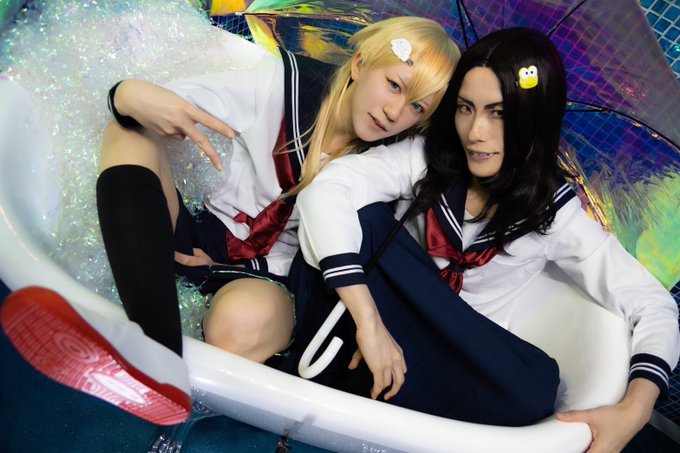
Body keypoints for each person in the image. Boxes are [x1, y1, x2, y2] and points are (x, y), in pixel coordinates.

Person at [0, 16, 460, 425]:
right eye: (394, 85)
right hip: (198, 233)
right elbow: (167, 105)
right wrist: (126, 94)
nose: (395, 112)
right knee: (129, 130)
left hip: (272, 281)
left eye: (418, 107)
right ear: (359, 64)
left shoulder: (395, 164)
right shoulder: (283, 84)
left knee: (239, 321)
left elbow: (376, 256)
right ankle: (156, 352)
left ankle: (152, 354)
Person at [289, 27, 680, 449]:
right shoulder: (426, 159)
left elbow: (651, 302)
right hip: (375, 316)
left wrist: (636, 408)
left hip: (449, 350)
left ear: (533, 119)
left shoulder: (554, 214)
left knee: (536, 387)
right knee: (362, 217)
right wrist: (369, 322)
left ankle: (372, 391)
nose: (476, 132)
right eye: (465, 108)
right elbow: (327, 189)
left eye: (499, 113)